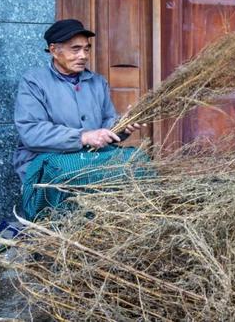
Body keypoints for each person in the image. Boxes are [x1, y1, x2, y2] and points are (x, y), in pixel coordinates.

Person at [12, 19, 145, 219]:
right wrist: (82, 137)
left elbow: (106, 125)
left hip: (91, 154)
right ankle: (61, 227)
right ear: (54, 50)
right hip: (48, 156)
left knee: (139, 161)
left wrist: (122, 127)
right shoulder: (33, 82)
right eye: (75, 49)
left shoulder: (97, 82)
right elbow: (31, 131)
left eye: (86, 49)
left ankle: (117, 222)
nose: (83, 56)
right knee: (68, 172)